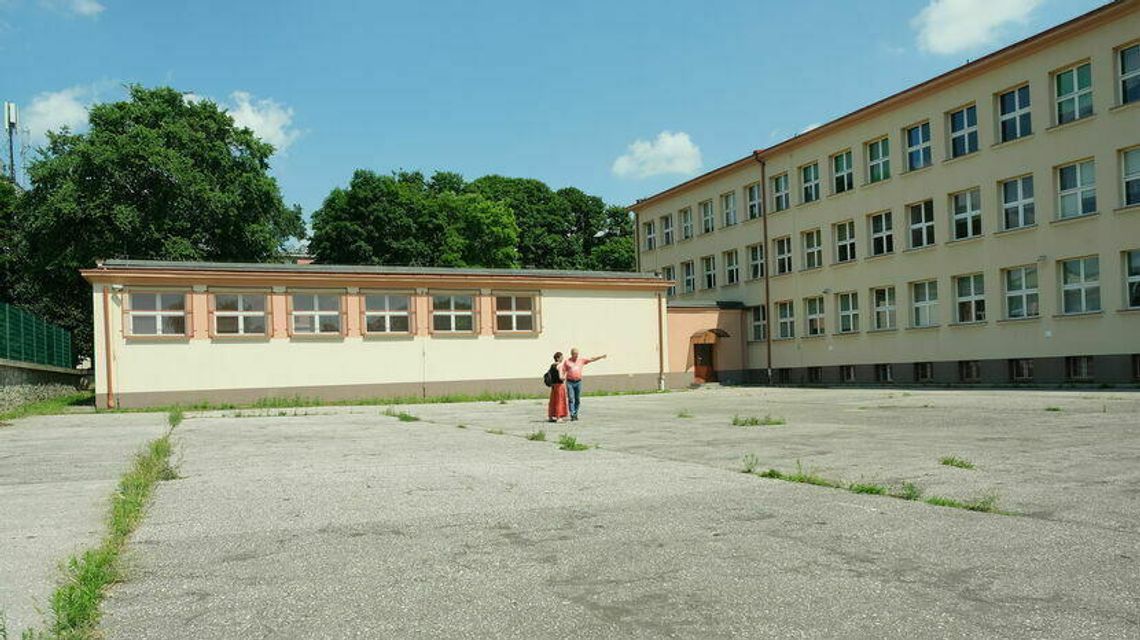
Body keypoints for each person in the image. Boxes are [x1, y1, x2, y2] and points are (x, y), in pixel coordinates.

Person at [560, 348, 607, 421]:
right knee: (571, 398)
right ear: (571, 354)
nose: (576, 355)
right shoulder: (567, 361)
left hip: (578, 382)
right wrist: (562, 377)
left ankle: (575, 414)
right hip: (570, 382)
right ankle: (572, 414)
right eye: (575, 354)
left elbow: (592, 359)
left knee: (577, 399)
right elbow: (563, 370)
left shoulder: (581, 360)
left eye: (577, 354)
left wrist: (601, 357)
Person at [546, 352, 569, 422]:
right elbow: (561, 377)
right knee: (560, 401)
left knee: (553, 401)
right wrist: (565, 374)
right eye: (561, 357)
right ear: (558, 358)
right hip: (559, 385)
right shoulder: (560, 366)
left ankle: (550, 416)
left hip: (553, 385)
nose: (562, 358)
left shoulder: (552, 366)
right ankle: (559, 417)